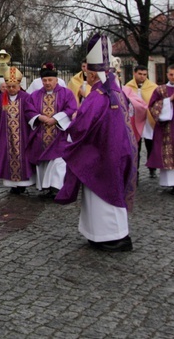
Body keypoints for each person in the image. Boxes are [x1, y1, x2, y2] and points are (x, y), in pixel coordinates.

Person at [55, 33, 136, 252]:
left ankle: (114, 238)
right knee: (109, 193)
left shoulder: (98, 96)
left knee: (104, 196)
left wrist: (69, 125)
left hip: (100, 156)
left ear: (94, 73)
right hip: (114, 152)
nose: (86, 77)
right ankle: (104, 235)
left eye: (88, 73)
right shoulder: (115, 92)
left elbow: (81, 126)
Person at [0, 66, 37, 194]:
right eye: (9, 86)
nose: (11, 89)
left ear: (19, 85)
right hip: (5, 136)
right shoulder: (1, 98)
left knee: (23, 158)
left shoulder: (26, 97)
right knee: (7, 157)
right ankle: (12, 185)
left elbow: (32, 114)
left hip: (23, 135)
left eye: (14, 86)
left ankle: (23, 184)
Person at [26, 62, 77, 195]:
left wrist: (55, 119)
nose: (47, 83)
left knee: (58, 160)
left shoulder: (66, 93)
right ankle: (45, 185)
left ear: (56, 80)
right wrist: (40, 117)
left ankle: (56, 186)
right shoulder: (35, 95)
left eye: (50, 80)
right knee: (44, 162)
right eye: (44, 80)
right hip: (40, 133)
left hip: (59, 134)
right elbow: (29, 110)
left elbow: (71, 108)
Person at [125, 65, 158, 178]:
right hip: (135, 120)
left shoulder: (153, 87)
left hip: (149, 121)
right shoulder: (128, 87)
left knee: (151, 145)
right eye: (140, 74)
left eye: (144, 74)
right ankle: (135, 171)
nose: (142, 76)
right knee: (135, 146)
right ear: (134, 73)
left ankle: (152, 167)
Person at [146, 64, 174, 193]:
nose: (173, 77)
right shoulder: (161, 90)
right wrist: (169, 100)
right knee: (168, 154)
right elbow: (152, 106)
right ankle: (171, 184)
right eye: (171, 74)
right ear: (167, 75)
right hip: (167, 128)